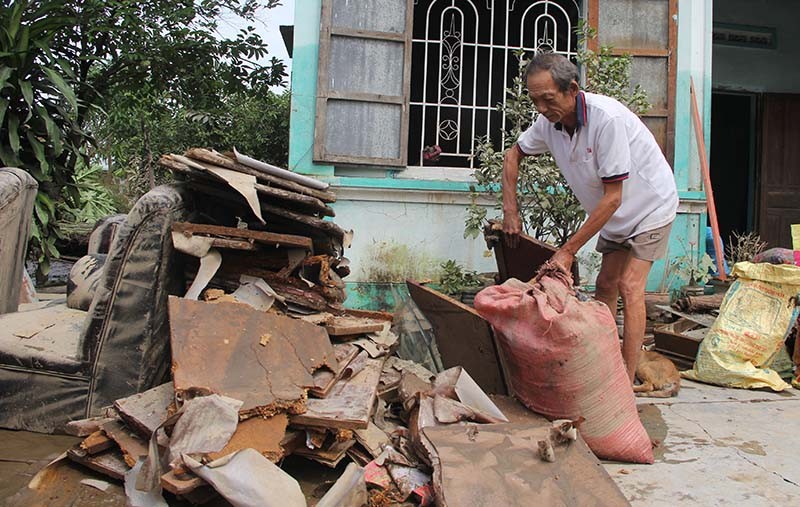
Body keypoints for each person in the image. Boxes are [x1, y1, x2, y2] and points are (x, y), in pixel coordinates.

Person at [501, 53, 678, 383]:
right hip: (612, 213)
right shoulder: (548, 123)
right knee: (605, 285)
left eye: (547, 99)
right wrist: (511, 211)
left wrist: (567, 251)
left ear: (572, 90)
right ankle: (605, 365)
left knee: (629, 285)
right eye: (534, 100)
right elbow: (513, 155)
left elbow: (613, 197)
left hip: (651, 206)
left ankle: (624, 379)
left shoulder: (605, 119)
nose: (540, 108)